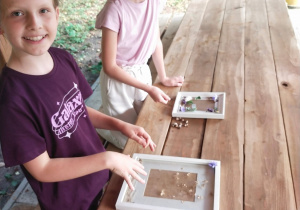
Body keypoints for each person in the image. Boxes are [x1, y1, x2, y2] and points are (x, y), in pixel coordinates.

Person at [0, 0, 156, 209]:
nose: (34, 23)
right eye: (18, 13)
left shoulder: (63, 59)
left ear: (56, 15)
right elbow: (43, 169)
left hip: (95, 177)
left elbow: (77, 111)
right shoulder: (12, 100)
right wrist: (107, 159)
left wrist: (120, 125)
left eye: (43, 10)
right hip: (68, 199)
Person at [95, 0, 184, 149]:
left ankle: (106, 112)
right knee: (130, 142)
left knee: (146, 127)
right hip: (118, 81)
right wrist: (148, 89)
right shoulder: (115, 9)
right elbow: (109, 66)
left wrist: (164, 77)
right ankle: (99, 124)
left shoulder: (153, 2)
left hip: (142, 72)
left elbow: (155, 41)